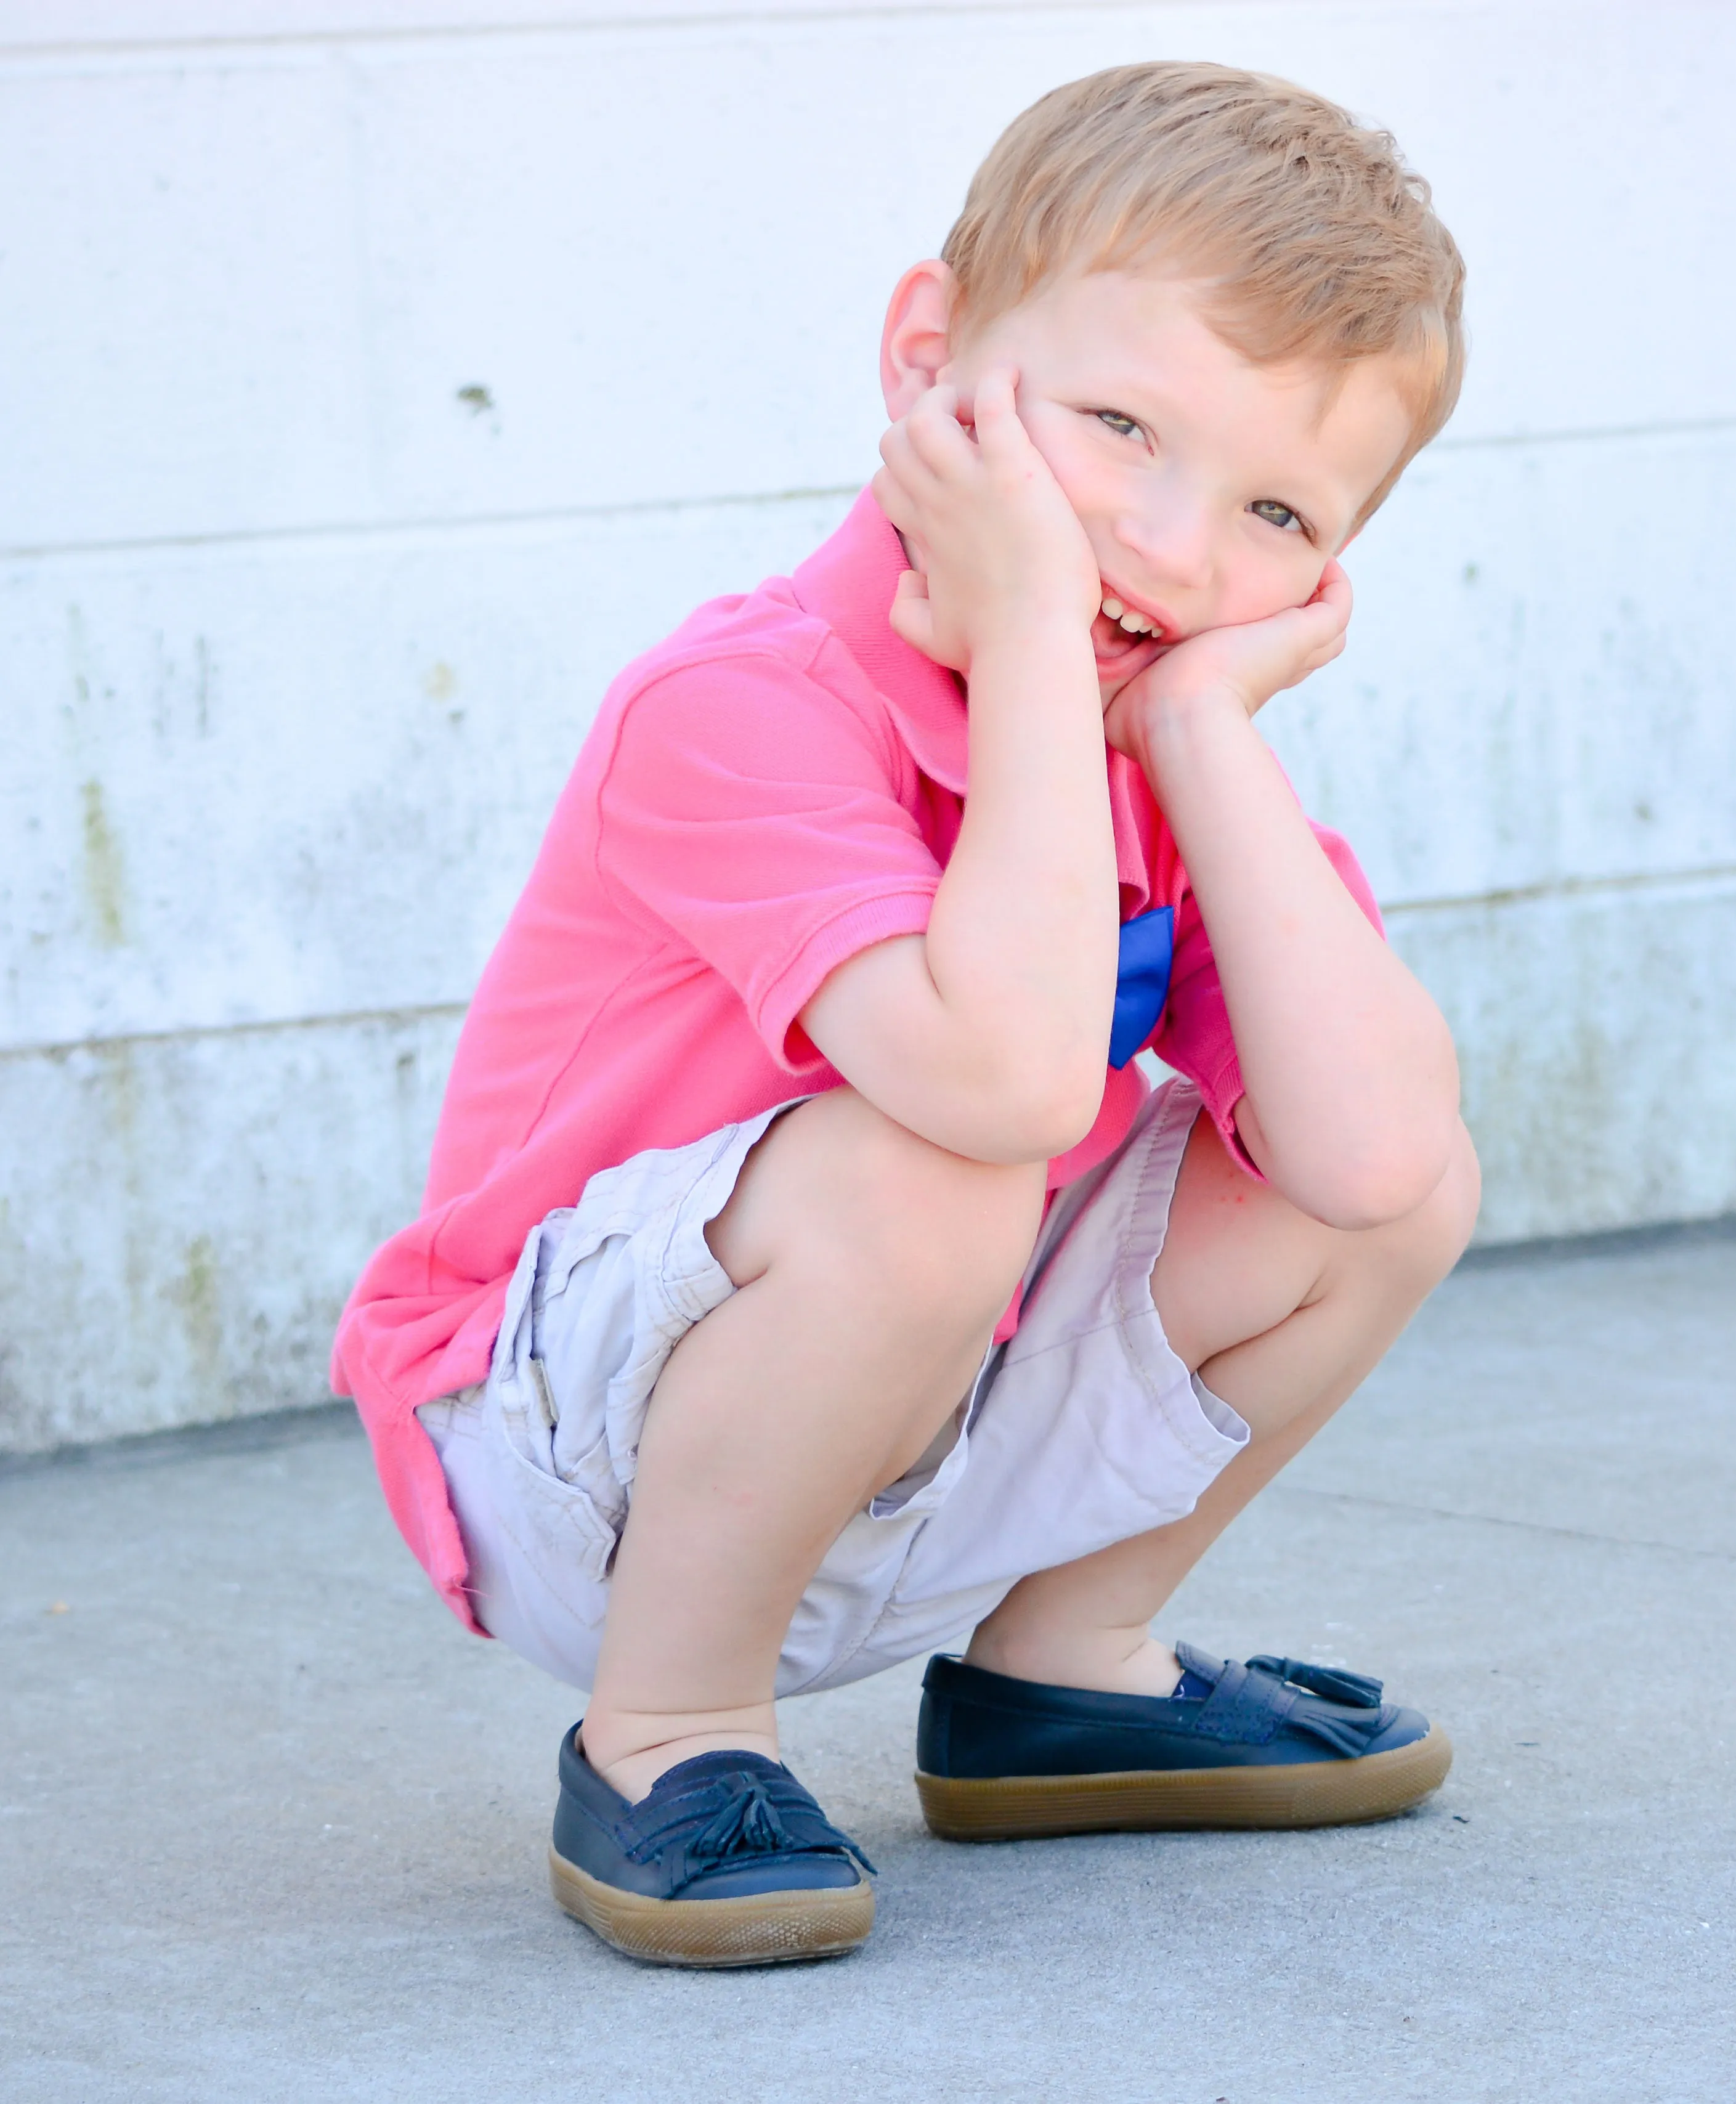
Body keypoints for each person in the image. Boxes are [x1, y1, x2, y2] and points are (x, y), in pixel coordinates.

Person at [333, 60, 1478, 1968]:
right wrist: (1031, 634)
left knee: (1397, 1178)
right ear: (929, 356)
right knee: (949, 1153)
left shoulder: (1149, 739)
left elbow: (1371, 1157)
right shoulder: (740, 705)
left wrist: (1199, 731)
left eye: (1277, 508)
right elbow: (1009, 1076)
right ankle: (669, 1730)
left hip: (911, 1412)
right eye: (1122, 426)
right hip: (556, 1450)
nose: (1178, 554)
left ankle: (1065, 1670)